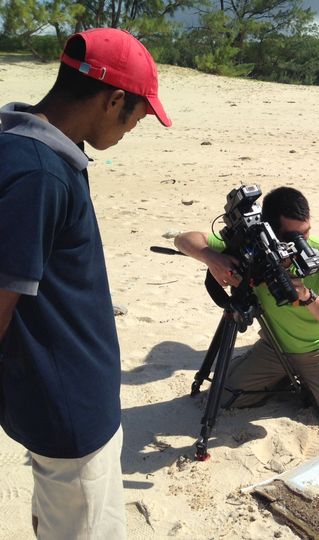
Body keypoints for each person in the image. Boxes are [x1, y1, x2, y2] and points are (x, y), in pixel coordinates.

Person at [0, 28, 171, 539]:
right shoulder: (40, 174)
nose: (137, 125)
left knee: (60, 514)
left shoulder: (28, 144)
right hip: (69, 410)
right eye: (138, 114)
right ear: (113, 99)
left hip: (59, 397)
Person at [174, 187, 319, 427]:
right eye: (292, 237)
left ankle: (311, 379)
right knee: (221, 398)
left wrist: (306, 295)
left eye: (306, 233)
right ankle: (284, 378)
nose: (302, 243)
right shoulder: (254, 247)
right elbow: (183, 239)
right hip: (274, 346)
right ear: (271, 232)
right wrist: (212, 258)